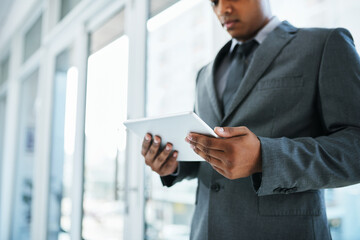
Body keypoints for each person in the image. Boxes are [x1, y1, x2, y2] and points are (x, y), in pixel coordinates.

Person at [141, 0, 360, 239]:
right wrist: (173, 164)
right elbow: (208, 149)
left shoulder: (324, 45)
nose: (222, 9)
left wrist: (264, 158)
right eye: (214, 2)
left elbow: (355, 148)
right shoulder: (204, 74)